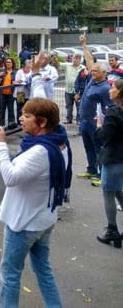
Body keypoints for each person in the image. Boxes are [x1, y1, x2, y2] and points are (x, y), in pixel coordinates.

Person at [0, 97, 72, 308]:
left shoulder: (40, 151)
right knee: (43, 269)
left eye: (27, 116)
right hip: (43, 218)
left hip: (24, 222)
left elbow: (10, 177)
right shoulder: (59, 142)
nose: (21, 119)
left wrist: (1, 144)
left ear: (42, 122)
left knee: (10, 274)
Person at [77, 36, 113, 180]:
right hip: (85, 120)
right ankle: (91, 169)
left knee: (98, 148)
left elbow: (110, 106)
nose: (93, 72)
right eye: (93, 70)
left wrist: (103, 122)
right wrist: (84, 45)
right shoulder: (92, 80)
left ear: (104, 74)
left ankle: (101, 174)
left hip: (95, 123)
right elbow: (89, 60)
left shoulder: (105, 88)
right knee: (88, 147)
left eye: (96, 71)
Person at [95, 78, 123, 248]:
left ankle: (112, 229)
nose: (110, 89)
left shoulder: (113, 111)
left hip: (113, 157)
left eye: (113, 87)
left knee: (108, 192)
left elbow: (104, 137)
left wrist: (99, 124)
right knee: (118, 190)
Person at [62, 54, 85, 124]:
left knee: (79, 106)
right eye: (74, 58)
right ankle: (69, 119)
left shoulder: (83, 68)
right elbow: (58, 65)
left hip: (79, 91)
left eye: (77, 58)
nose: (74, 60)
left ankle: (79, 120)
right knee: (68, 106)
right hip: (68, 90)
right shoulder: (67, 66)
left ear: (80, 60)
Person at [0, 57, 17, 127]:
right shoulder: (1, 70)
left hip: (11, 93)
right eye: (7, 62)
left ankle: (11, 124)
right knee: (1, 110)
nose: (8, 63)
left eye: (10, 62)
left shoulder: (15, 72)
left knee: (11, 110)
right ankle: (0, 125)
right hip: (2, 93)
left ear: (12, 63)